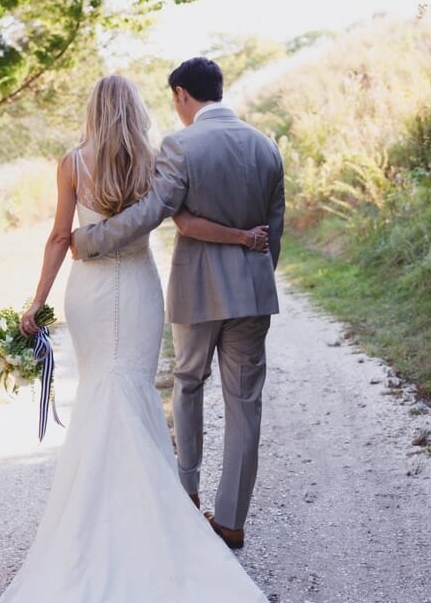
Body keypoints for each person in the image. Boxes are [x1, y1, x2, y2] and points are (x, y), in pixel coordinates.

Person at [0, 73, 283, 603]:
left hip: (91, 292)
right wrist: (251, 248)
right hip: (142, 289)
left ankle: (101, 527)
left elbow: (59, 237)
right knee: (137, 392)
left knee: (105, 392)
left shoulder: (72, 163)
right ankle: (175, 518)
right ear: (138, 109)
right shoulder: (155, 157)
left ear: (93, 110)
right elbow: (183, 219)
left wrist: (36, 301)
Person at [72, 56, 285, 550]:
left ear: (182, 95)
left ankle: (187, 494)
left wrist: (92, 240)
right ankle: (231, 520)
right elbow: (275, 227)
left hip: (198, 291)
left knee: (188, 384)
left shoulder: (181, 145)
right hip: (252, 294)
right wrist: (256, 277)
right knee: (245, 403)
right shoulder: (266, 146)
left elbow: (152, 211)